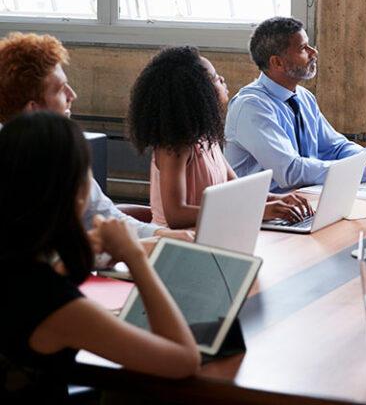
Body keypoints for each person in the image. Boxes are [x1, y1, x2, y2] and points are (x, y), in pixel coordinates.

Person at [0, 112, 200, 402]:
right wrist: (135, 258)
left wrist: (70, 263)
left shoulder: (21, 270)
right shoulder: (57, 306)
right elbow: (183, 360)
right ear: (75, 192)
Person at [0, 32, 184, 242]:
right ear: (33, 110)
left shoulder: (63, 154)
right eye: (60, 89)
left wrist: (165, 236)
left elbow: (106, 216)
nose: (72, 95)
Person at [127, 46, 313, 229]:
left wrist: (276, 199)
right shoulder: (174, 147)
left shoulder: (207, 137)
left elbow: (237, 188)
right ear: (197, 92)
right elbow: (176, 216)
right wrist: (260, 210)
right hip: (176, 243)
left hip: (211, 234)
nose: (222, 79)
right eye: (215, 78)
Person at [225, 16, 366, 191]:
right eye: (303, 48)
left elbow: (336, 148)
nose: (314, 52)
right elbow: (290, 171)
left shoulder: (303, 97)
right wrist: (365, 168)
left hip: (304, 202)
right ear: (277, 62)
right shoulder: (251, 107)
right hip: (265, 213)